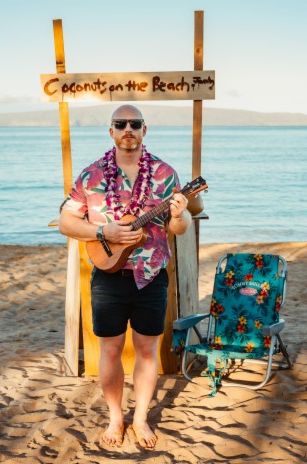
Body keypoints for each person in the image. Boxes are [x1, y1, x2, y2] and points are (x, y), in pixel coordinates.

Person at [59, 104, 191, 449]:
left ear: (145, 130)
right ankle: (116, 417)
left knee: (148, 350)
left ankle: (142, 417)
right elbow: (66, 222)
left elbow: (178, 226)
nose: (128, 129)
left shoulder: (165, 174)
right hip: (108, 275)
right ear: (112, 132)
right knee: (111, 349)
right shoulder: (91, 176)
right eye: (121, 124)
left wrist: (179, 216)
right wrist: (105, 234)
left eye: (135, 123)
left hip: (151, 274)